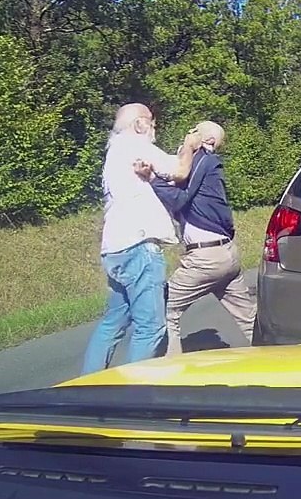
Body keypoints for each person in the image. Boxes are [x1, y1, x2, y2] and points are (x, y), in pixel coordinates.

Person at [81, 103, 202, 374]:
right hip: (140, 248)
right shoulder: (136, 144)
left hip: (115, 249)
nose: (154, 127)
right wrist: (189, 145)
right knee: (151, 327)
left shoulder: (115, 151)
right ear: (139, 124)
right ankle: (131, 391)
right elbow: (179, 171)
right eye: (151, 122)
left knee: (113, 323)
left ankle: (86, 386)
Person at [138, 120, 258, 354]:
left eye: (194, 131)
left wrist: (152, 178)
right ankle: (276, 359)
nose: (188, 133)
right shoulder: (208, 167)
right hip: (226, 254)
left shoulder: (203, 160)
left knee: (165, 309)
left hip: (206, 259)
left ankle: (171, 367)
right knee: (248, 318)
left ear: (207, 140)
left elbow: (178, 199)